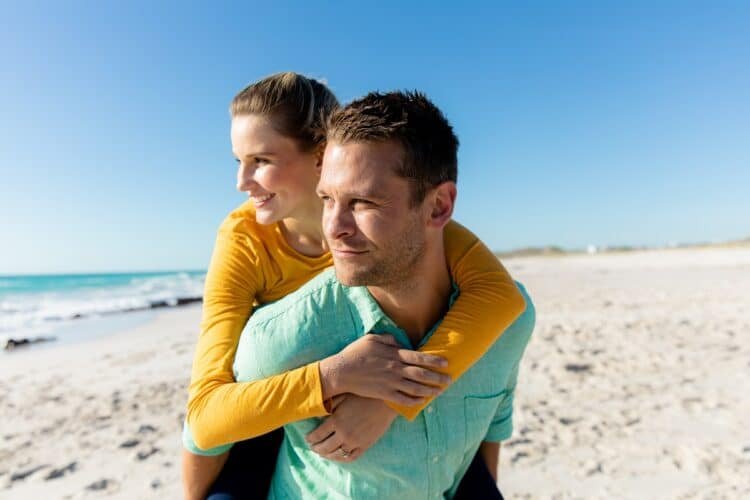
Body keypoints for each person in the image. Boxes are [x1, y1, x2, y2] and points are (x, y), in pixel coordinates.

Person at [181, 73, 527, 499]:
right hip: (269, 400)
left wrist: (393, 397)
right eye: (239, 161)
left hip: (401, 407)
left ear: (321, 154)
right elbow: (206, 412)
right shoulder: (244, 240)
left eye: (262, 160)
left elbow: (502, 298)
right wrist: (334, 376)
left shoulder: (412, 224)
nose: (242, 181)